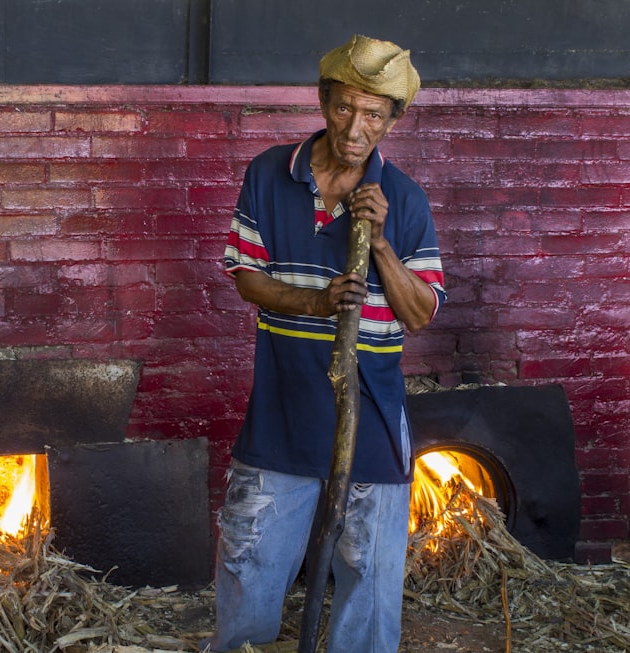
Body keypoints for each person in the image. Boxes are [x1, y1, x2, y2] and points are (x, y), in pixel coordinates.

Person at [202, 35, 447, 653]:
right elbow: (245, 276)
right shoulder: (269, 173)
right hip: (280, 416)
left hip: (371, 423)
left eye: (373, 114)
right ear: (323, 101)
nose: (355, 127)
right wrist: (315, 301)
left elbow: (418, 313)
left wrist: (381, 240)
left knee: (369, 583)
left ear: (393, 120)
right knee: (248, 566)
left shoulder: (406, 201)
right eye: (344, 107)